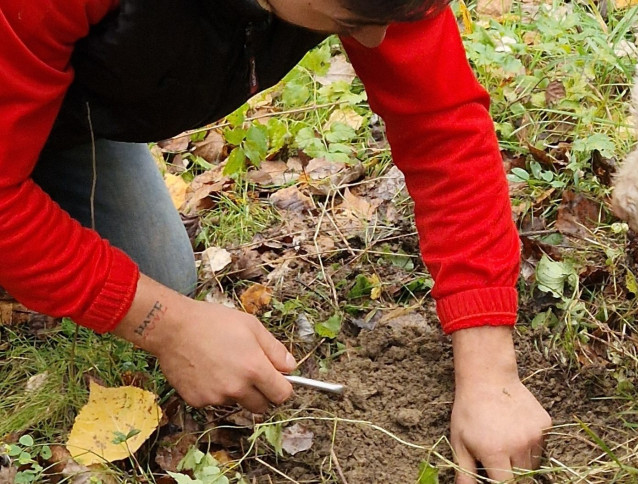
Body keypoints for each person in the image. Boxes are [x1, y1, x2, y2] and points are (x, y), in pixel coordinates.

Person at [1, 0, 552, 480]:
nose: (376, 39)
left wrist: (489, 372)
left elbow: (442, 126)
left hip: (60, 102)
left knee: (159, 273)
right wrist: (169, 327)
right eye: (351, 20)